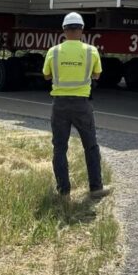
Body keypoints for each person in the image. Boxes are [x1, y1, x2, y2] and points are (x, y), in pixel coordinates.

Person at [42, 12, 111, 200]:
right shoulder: (91, 51)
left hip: (60, 105)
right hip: (82, 105)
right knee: (90, 146)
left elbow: (47, 76)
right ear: (81, 30)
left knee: (59, 148)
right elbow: (97, 75)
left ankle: (63, 191)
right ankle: (96, 188)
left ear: (64, 30)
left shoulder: (53, 52)